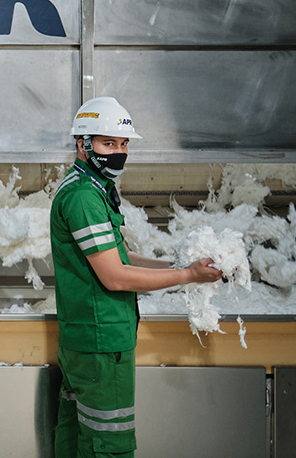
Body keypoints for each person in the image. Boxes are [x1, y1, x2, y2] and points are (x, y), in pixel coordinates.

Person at [50, 96, 223, 458]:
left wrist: (174, 263)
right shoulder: (84, 197)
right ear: (83, 145)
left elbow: (120, 257)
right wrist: (186, 275)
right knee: (108, 444)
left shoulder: (92, 188)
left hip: (85, 338)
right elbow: (114, 277)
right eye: (108, 143)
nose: (118, 152)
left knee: (76, 435)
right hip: (102, 343)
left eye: (124, 144)